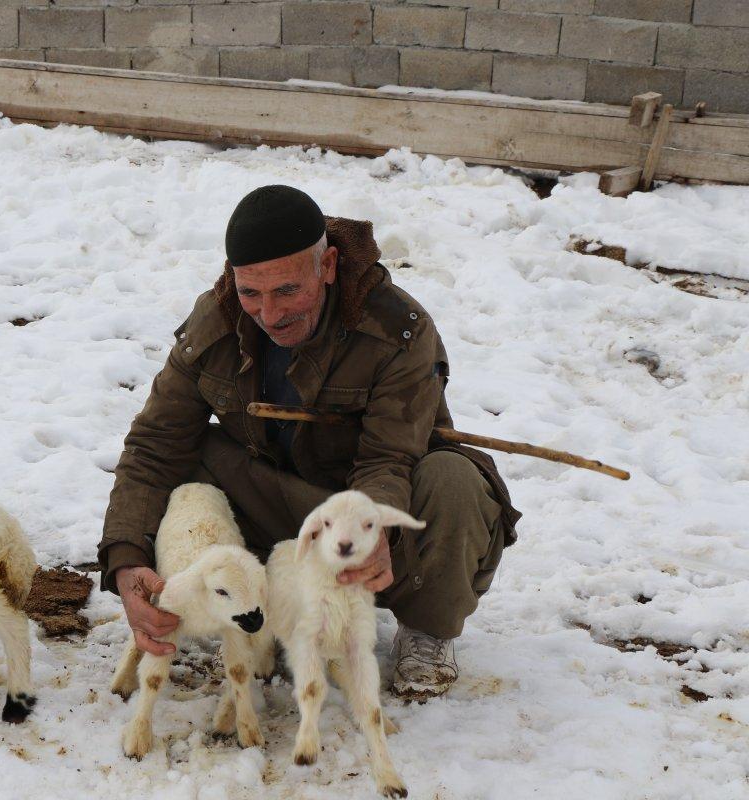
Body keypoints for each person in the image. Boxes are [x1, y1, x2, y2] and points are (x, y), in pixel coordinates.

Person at [99, 186, 520, 699]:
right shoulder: (215, 321)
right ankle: (259, 602)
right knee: (191, 458)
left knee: (454, 479)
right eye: (251, 293)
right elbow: (152, 447)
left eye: (287, 291)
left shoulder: (396, 331)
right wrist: (126, 560)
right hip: (278, 506)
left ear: (329, 266)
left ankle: (428, 630)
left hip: (375, 518)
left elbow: (389, 458)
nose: (269, 314)